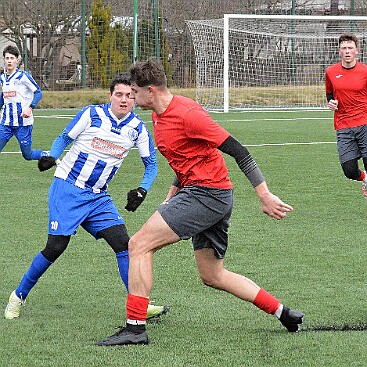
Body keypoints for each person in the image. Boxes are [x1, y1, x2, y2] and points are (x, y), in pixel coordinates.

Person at [97, 60, 304, 347]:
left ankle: (135, 328)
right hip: (203, 193)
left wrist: (264, 194)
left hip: (207, 195)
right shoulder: (158, 115)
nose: (130, 97)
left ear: (151, 90)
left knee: (138, 245)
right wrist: (173, 190)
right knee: (212, 275)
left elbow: (239, 151)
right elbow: (186, 157)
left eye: (134, 92)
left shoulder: (188, 114)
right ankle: (282, 312)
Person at [4, 73, 169, 321]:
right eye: (119, 95)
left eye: (129, 95)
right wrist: (52, 155)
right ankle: (18, 296)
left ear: (135, 98)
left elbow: (152, 165)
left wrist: (142, 189)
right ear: (110, 96)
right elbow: (63, 138)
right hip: (67, 188)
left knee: (124, 246)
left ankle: (139, 305)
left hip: (97, 198)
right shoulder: (91, 114)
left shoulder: (137, 129)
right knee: (55, 247)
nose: (124, 100)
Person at [325, 33, 367, 197]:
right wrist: (331, 102)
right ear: (339, 51)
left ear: (356, 50)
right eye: (344, 48)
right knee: (349, 170)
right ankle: (365, 179)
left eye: (350, 48)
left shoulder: (365, 71)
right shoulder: (331, 72)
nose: (347, 51)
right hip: (343, 126)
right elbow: (330, 94)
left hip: (364, 123)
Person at [0, 45, 47, 160]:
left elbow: (38, 93)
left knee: (28, 155)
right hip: (6, 123)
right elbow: (4, 96)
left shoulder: (23, 76)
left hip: (23, 124)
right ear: (4, 60)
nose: (9, 61)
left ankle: (47, 155)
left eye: (12, 58)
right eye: (7, 58)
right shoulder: (2, 78)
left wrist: (30, 108)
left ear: (17, 60)